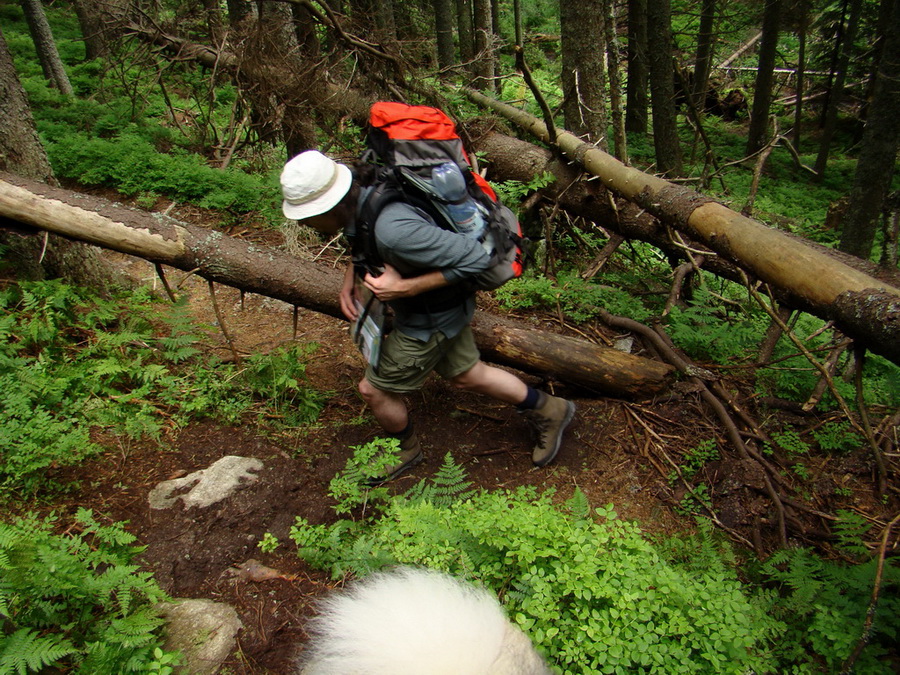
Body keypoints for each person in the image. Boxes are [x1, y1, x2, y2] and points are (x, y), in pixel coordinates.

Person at [281, 150, 575, 483]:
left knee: (373, 390)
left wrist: (406, 288)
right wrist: (350, 278)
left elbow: (478, 258)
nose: (304, 223)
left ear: (331, 205)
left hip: (431, 318)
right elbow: (358, 235)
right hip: (444, 308)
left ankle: (405, 451)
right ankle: (552, 409)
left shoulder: (395, 231)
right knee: (467, 374)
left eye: (307, 215)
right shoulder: (364, 191)